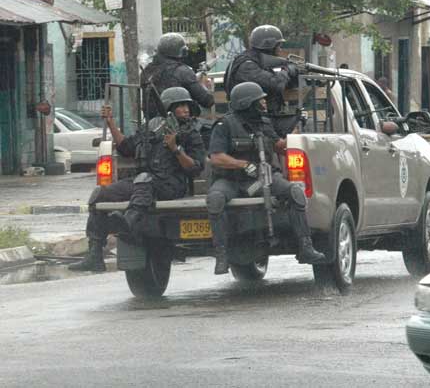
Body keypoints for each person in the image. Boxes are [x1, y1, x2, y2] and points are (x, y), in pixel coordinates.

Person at [69, 87, 206, 272]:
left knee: (144, 180)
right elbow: (126, 147)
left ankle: (129, 223)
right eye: (180, 106)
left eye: (187, 105)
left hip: (172, 184)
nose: (186, 109)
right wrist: (110, 123)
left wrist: (175, 149)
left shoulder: (190, 132)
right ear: (168, 108)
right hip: (145, 182)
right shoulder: (152, 128)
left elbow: (195, 168)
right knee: (100, 194)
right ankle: (95, 255)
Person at [206, 82, 326, 275]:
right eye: (259, 99)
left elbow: (280, 146)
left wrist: (296, 129)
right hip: (231, 180)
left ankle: (305, 247)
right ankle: (222, 256)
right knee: (215, 199)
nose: (264, 102)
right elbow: (216, 157)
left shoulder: (264, 123)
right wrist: (243, 165)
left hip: (263, 177)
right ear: (248, 102)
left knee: (295, 191)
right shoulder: (225, 124)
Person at [223, 25, 294, 118]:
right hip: (248, 120)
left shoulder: (257, 62)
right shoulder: (247, 65)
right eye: (278, 46)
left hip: (259, 117)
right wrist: (287, 70)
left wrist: (294, 72)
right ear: (269, 46)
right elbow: (276, 84)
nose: (280, 49)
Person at [142, 33, 214, 118]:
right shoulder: (183, 71)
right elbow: (207, 102)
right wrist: (205, 86)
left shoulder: (147, 70)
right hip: (178, 124)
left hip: (151, 123)